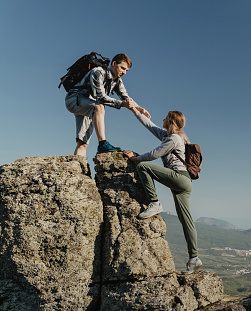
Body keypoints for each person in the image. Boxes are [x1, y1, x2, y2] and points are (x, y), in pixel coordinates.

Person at [123, 110, 202, 273]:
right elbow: (149, 124)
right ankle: (194, 258)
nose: (163, 119)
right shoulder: (167, 135)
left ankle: (154, 202)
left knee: (143, 166)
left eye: (166, 118)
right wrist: (133, 108)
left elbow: (154, 154)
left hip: (179, 177)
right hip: (184, 182)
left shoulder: (174, 139)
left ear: (171, 122)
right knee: (186, 220)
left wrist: (135, 158)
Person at [65, 53, 150, 156]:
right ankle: (102, 144)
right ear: (114, 63)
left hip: (89, 104)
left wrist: (138, 108)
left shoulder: (117, 81)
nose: (124, 72)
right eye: (122, 68)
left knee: (83, 143)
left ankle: (78, 168)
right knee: (99, 106)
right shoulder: (98, 72)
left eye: (126, 70)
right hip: (75, 99)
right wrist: (121, 104)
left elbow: (125, 96)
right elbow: (100, 97)